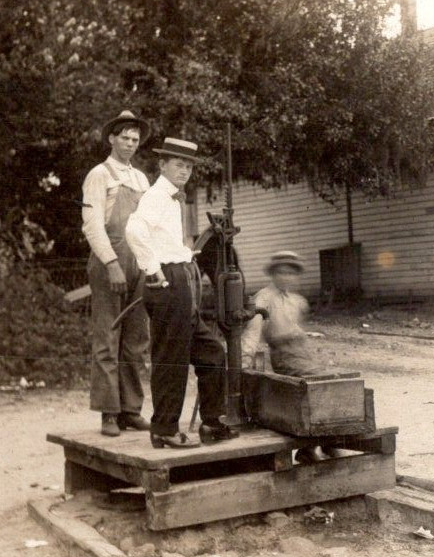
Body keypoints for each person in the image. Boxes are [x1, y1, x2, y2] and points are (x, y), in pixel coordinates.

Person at [124, 137, 237, 448]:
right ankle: (164, 430)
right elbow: (134, 230)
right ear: (163, 165)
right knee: (171, 359)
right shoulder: (157, 196)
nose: (184, 170)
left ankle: (212, 423)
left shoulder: (172, 199)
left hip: (181, 281)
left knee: (212, 351)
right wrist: (153, 271)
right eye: (178, 164)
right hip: (168, 282)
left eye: (188, 166)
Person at [81, 110, 153, 437]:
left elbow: (149, 225)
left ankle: (130, 410)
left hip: (140, 259)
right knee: (108, 338)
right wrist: (111, 263)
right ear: (111, 138)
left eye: (135, 139)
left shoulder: (141, 180)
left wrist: (152, 263)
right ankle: (108, 412)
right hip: (110, 257)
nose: (129, 143)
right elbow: (92, 225)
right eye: (124, 137)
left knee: (137, 339)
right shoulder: (99, 174)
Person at [241, 251, 321, 377]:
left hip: (302, 356)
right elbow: (253, 333)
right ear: (272, 274)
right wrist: (245, 361)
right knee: (315, 379)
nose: (286, 277)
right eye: (281, 273)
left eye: (291, 273)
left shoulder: (297, 301)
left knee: (330, 378)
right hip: (282, 358)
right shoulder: (264, 299)